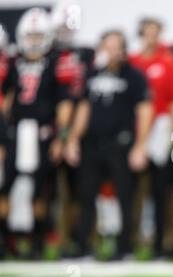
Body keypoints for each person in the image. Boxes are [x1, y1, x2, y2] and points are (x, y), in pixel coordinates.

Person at [65, 30, 151, 260]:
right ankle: (83, 246)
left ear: (123, 50)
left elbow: (144, 111)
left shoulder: (133, 76)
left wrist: (140, 146)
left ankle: (125, 248)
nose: (111, 52)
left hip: (121, 143)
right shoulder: (91, 74)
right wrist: (73, 139)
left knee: (125, 196)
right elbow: (84, 108)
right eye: (107, 46)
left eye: (116, 47)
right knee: (85, 196)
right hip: (92, 144)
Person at [0, 8, 73, 259]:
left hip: (42, 132)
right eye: (29, 35)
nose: (33, 40)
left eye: (37, 35)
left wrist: (60, 139)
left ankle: (38, 243)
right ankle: (6, 241)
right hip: (15, 132)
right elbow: (6, 100)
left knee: (41, 190)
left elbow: (64, 104)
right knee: (5, 187)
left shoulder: (56, 62)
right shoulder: (12, 61)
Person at [129, 18, 173, 259]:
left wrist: (172, 125)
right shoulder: (133, 62)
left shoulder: (168, 60)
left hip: (161, 129)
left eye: (156, 33)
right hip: (136, 131)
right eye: (147, 33)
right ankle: (134, 240)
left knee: (163, 189)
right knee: (135, 190)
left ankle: (166, 240)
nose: (152, 38)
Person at [50, 0, 95, 256]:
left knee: (82, 191)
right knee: (57, 193)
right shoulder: (50, 56)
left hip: (78, 133)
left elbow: (81, 102)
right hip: (53, 131)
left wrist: (69, 138)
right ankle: (60, 240)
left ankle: (82, 240)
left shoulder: (86, 54)